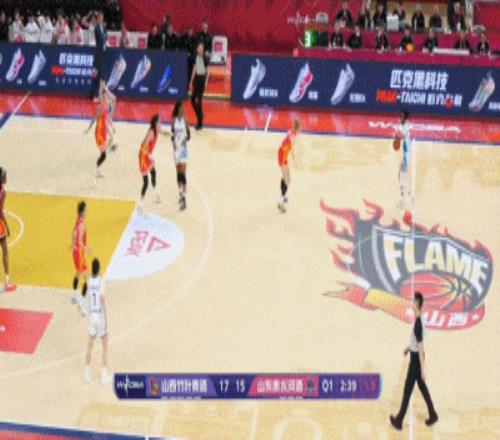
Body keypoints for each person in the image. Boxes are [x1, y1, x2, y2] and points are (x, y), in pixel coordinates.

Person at [390, 292, 438, 430]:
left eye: (413, 302)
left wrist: (423, 368)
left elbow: (421, 347)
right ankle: (433, 414)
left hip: (416, 362)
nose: (411, 304)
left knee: (407, 389)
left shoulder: (418, 324)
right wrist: (409, 348)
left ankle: (399, 420)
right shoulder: (421, 318)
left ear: (417, 304)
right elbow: (416, 343)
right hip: (415, 356)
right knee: (422, 388)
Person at [83, 258, 112, 385]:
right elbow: (102, 299)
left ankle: (86, 372)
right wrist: (105, 314)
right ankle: (104, 375)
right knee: (104, 345)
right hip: (100, 316)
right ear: (99, 269)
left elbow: (87, 297)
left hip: (92, 316)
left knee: (90, 345)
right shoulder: (101, 281)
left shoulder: (89, 282)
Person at [70, 201, 90, 316]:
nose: (87, 211)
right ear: (82, 211)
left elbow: (73, 232)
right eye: (86, 210)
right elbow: (80, 241)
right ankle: (81, 304)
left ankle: (73, 295)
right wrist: (86, 248)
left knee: (78, 273)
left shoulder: (77, 220)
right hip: (80, 253)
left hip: (75, 252)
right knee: (87, 279)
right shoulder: (82, 224)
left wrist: (72, 244)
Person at [277, 119, 301, 213]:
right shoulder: (293, 137)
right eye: (299, 130)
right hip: (282, 157)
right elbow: (290, 149)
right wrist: (294, 161)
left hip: (283, 155)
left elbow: (287, 147)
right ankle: (281, 201)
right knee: (287, 180)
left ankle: (283, 196)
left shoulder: (291, 131)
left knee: (287, 178)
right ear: (297, 130)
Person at [138, 114, 162, 208]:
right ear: (156, 123)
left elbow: (162, 132)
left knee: (153, 172)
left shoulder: (156, 129)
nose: (161, 123)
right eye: (160, 121)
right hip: (143, 156)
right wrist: (149, 155)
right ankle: (140, 203)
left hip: (147, 155)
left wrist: (170, 134)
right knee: (146, 182)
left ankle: (155, 194)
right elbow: (144, 145)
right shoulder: (151, 132)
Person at [171, 102, 191, 211]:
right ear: (177, 109)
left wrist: (183, 140)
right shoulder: (173, 119)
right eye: (181, 108)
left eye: (183, 108)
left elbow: (189, 135)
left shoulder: (185, 118)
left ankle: (184, 197)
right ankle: (180, 194)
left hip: (183, 149)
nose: (182, 110)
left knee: (183, 174)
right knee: (178, 173)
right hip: (176, 149)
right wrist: (174, 143)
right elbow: (172, 134)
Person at [0, 167, 16, 293]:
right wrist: (7, 226)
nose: (6, 177)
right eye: (4, 176)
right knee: (5, 251)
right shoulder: (3, 192)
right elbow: (0, 211)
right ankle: (7, 281)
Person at [394, 109, 412, 208]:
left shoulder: (405, 126)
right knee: (400, 175)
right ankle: (409, 193)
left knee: (401, 178)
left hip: (406, 155)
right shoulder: (407, 125)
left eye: (401, 116)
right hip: (406, 154)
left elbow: (398, 136)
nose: (400, 117)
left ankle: (404, 201)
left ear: (405, 117)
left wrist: (396, 135)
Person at [190, 42, 209, 130]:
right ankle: (199, 115)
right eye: (199, 48)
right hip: (196, 79)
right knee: (192, 99)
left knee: (199, 101)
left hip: (202, 79)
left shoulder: (205, 58)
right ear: (197, 49)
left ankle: (200, 123)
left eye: (202, 48)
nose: (201, 49)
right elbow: (194, 69)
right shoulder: (195, 57)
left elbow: (208, 70)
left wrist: (206, 82)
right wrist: (191, 81)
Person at [92, 11, 107, 101]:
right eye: (100, 17)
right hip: (98, 55)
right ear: (98, 19)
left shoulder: (103, 27)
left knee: (101, 76)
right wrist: (104, 36)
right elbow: (101, 39)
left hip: (102, 54)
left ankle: (100, 95)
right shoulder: (97, 28)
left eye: (102, 17)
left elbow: (105, 38)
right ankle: (95, 95)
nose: (101, 19)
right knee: (97, 75)